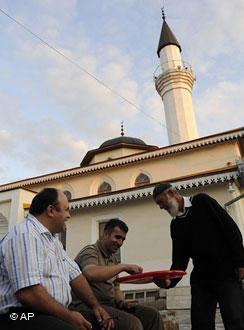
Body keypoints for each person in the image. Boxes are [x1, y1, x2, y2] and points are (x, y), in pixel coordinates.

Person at [0, 188, 114, 330]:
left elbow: (75, 275)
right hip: (18, 315)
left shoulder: (53, 241)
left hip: (52, 312)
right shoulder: (24, 235)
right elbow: (28, 294)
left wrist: (96, 306)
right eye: (66, 210)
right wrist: (69, 317)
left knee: (120, 324)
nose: (69, 215)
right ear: (51, 210)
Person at [153, 182, 244, 330]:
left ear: (172, 194)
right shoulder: (175, 226)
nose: (161, 207)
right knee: (200, 323)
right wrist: (169, 282)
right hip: (202, 279)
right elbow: (179, 262)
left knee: (235, 319)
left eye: (161, 202)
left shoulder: (202, 201)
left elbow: (231, 229)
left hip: (226, 272)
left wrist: (241, 262)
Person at [72, 218, 163, 330]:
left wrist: (122, 302)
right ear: (105, 234)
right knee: (133, 324)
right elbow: (90, 273)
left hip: (110, 305)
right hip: (87, 306)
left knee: (152, 315)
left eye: (123, 239)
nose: (120, 243)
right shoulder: (90, 251)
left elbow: (116, 287)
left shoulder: (113, 258)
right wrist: (124, 267)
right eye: (117, 237)